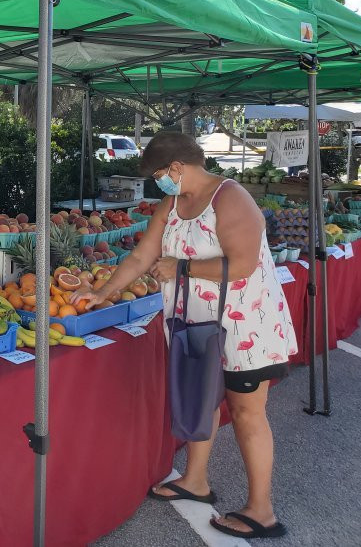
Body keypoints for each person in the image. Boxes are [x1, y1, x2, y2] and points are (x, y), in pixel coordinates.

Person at [70, 131, 297, 540]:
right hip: (193, 324)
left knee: (247, 413)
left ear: (177, 167)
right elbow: (143, 255)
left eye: (160, 174)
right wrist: (102, 291)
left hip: (246, 325)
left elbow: (243, 265)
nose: (160, 183)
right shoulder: (171, 203)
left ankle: (261, 510)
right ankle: (196, 481)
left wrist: (183, 269)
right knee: (201, 398)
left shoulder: (231, 198)